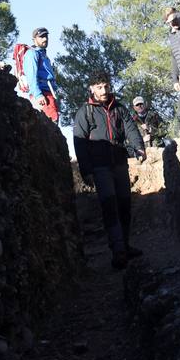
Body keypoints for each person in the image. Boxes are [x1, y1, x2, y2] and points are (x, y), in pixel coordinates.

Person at [72, 74, 145, 269]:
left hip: (120, 161)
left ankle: (125, 245)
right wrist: (86, 170)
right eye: (99, 87)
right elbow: (79, 142)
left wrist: (139, 147)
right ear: (91, 88)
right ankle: (118, 250)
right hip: (100, 166)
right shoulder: (85, 112)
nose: (103, 91)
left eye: (106, 86)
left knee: (124, 205)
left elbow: (130, 129)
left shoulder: (119, 108)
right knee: (110, 206)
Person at [20, 27, 59, 123]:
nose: (45, 39)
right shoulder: (32, 54)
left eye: (46, 36)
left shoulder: (43, 55)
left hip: (49, 94)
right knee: (50, 125)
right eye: (41, 37)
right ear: (34, 39)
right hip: (42, 95)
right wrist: (38, 95)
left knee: (53, 125)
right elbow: (31, 76)